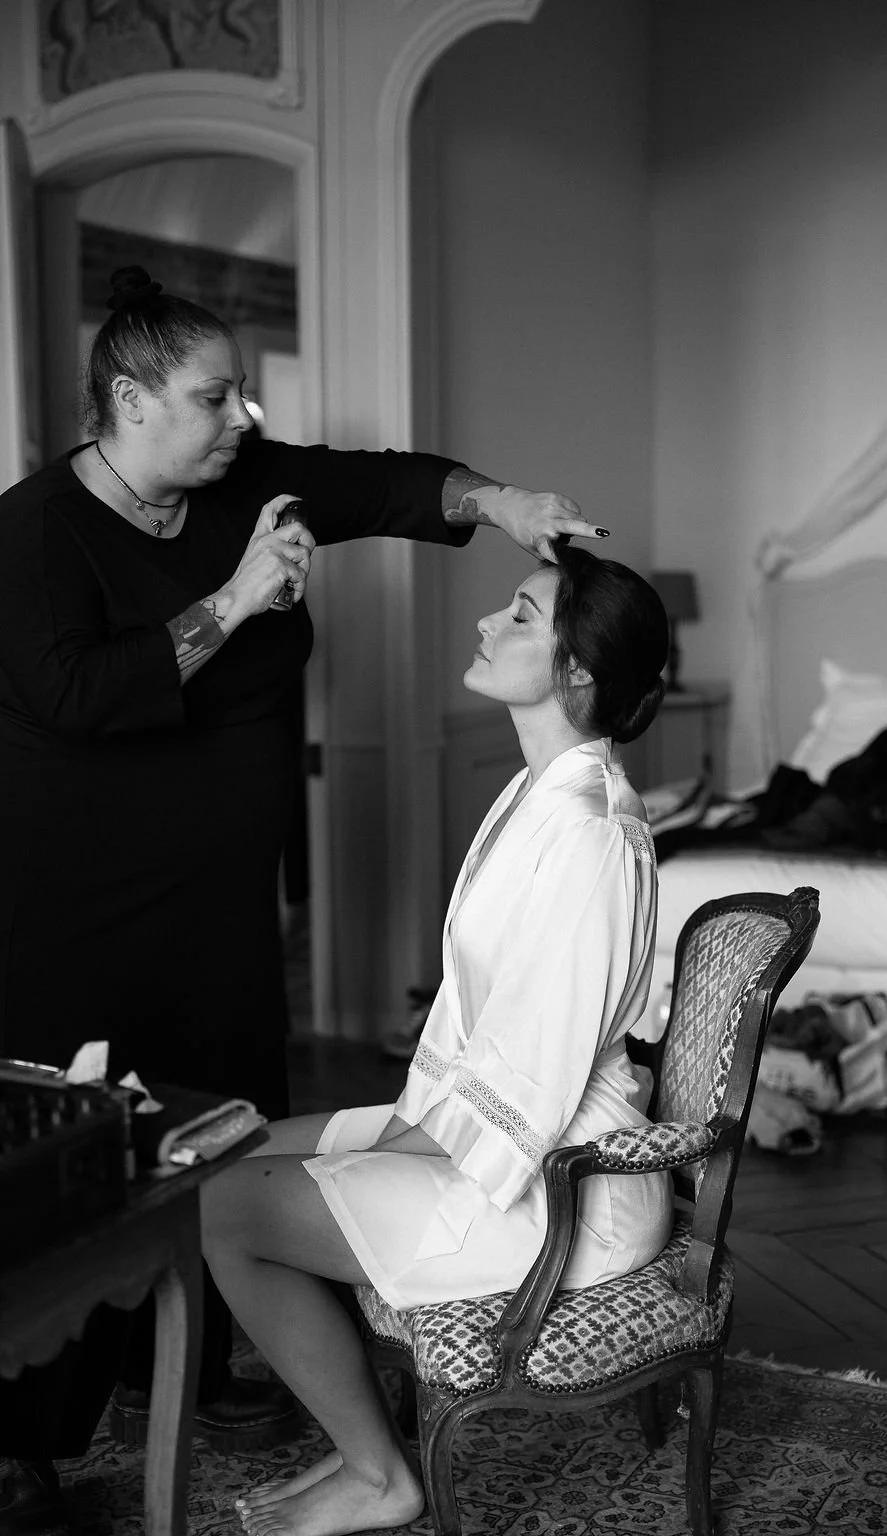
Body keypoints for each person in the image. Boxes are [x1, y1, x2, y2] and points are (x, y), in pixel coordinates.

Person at [0, 265, 606, 1530]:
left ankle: (209, 1356)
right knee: (84, 1150)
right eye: (215, 399)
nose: (243, 422)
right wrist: (233, 603)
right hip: (82, 902)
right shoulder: (31, 534)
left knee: (223, 1110)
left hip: (225, 900)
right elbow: (77, 695)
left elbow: (382, 483)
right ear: (129, 398)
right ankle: (39, 1427)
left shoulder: (235, 486)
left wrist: (501, 501)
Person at [200, 544, 673, 1536]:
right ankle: (361, 1447)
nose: (484, 625)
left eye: (518, 615)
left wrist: (390, 1144)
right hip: (483, 1126)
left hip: (553, 1182)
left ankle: (382, 1475)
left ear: (577, 670)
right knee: (226, 1150)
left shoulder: (587, 833)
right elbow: (486, 1036)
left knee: (223, 1208)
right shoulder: (537, 796)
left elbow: (532, 1084)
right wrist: (390, 1129)